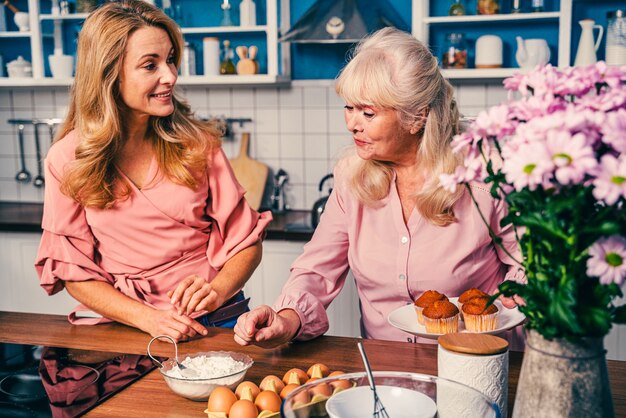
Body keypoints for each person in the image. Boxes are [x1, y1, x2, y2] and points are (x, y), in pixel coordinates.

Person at [233, 27, 525, 349]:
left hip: (472, 360)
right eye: (349, 108)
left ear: (417, 117)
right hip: (385, 370)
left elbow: (530, 263)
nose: (351, 124)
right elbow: (317, 268)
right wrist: (287, 317)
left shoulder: (483, 173)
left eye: (368, 113)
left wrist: (517, 292)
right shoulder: (351, 177)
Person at [35, 0, 271, 342]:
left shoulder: (198, 144)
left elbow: (247, 243)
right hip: (129, 327)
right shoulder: (67, 158)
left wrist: (217, 290)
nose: (171, 76)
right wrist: (150, 320)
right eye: (150, 65)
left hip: (216, 322)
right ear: (109, 74)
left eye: (171, 59)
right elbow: (74, 272)